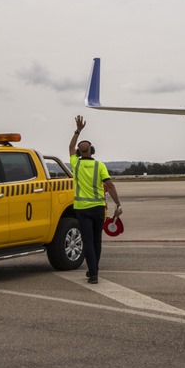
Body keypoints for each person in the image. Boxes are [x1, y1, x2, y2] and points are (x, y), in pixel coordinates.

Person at [69, 115, 122, 283]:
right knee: (97, 241)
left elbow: (70, 147)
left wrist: (78, 130)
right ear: (92, 151)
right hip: (99, 208)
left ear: (79, 153)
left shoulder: (76, 164)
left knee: (87, 242)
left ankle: (93, 274)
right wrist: (118, 203)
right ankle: (94, 269)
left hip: (82, 209)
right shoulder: (100, 166)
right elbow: (110, 185)